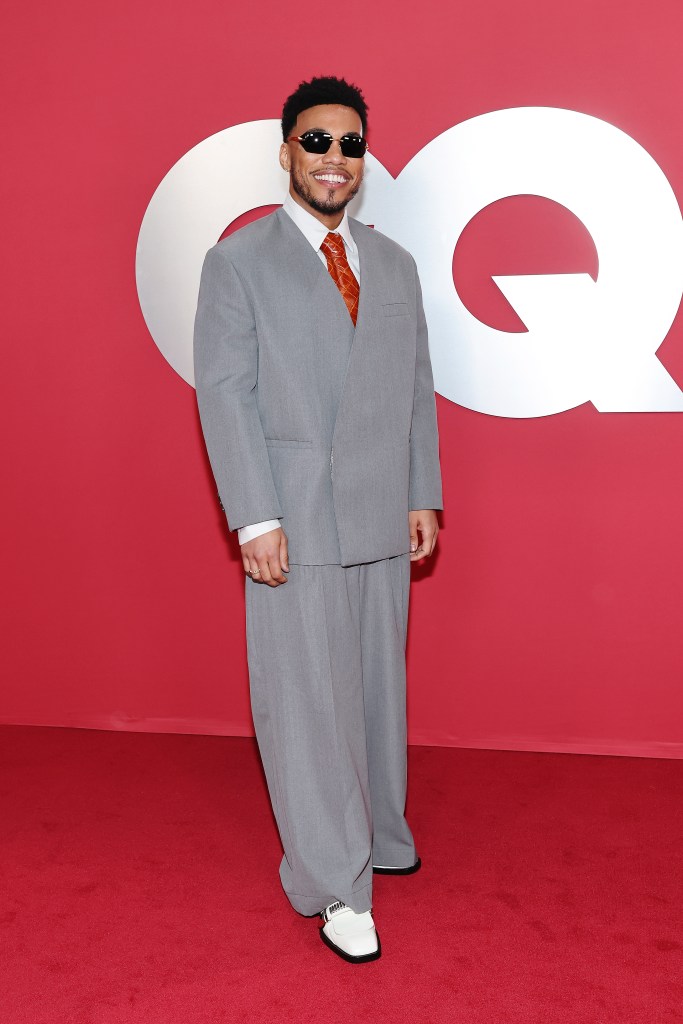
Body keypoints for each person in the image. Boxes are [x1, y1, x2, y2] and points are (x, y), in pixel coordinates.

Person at [193, 75, 443, 963]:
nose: (334, 157)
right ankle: (334, 882)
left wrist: (422, 492)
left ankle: (378, 831)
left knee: (375, 687)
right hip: (292, 516)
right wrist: (252, 517)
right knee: (305, 699)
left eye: (349, 144)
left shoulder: (395, 264)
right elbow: (224, 395)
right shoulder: (238, 262)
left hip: (382, 510)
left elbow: (414, 388)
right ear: (286, 151)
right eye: (316, 141)